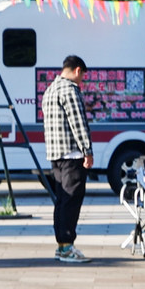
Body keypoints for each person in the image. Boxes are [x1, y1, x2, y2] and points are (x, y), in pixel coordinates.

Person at [41, 54, 93, 263]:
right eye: (83, 76)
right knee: (72, 200)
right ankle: (67, 247)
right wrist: (87, 151)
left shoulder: (50, 90)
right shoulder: (70, 91)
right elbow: (78, 123)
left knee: (62, 199)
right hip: (72, 154)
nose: (82, 81)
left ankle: (62, 245)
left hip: (55, 154)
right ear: (77, 70)